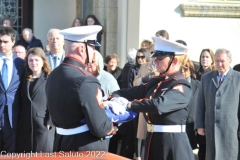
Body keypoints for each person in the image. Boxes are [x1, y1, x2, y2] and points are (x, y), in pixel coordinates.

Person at [109, 37, 194, 160]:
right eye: (155, 57)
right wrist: (114, 97)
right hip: (153, 140)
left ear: (174, 61)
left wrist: (129, 105)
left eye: (160, 58)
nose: (155, 61)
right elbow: (131, 92)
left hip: (173, 145)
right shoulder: (156, 82)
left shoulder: (181, 85)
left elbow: (158, 105)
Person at [45, 25, 116, 151]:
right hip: (85, 147)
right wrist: (114, 124)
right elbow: (100, 128)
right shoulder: (86, 80)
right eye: (92, 46)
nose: (94, 51)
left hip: (60, 144)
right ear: (82, 49)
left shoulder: (53, 75)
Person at [195, 48, 240, 160]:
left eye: (222, 61)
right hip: (211, 128)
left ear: (230, 61)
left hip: (231, 128)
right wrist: (199, 125)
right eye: (217, 61)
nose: (219, 64)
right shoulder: (206, 78)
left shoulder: (238, 78)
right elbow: (200, 103)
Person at [16, 47, 54, 152]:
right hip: (25, 126)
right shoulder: (24, 78)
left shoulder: (50, 78)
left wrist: (50, 122)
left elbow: (55, 101)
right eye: (30, 60)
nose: (34, 63)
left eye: (37, 60)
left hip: (43, 126)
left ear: (43, 61)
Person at [0, 27, 25, 152]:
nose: (2, 45)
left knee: (10, 152)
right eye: (0, 41)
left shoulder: (21, 64)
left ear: (13, 42)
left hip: (13, 114)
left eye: (5, 42)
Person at [195, 48, 215, 160]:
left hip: (209, 115)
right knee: (201, 147)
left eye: (207, 57)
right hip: (198, 113)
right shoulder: (196, 75)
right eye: (203, 57)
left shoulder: (215, 76)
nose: (204, 59)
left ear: (212, 60)